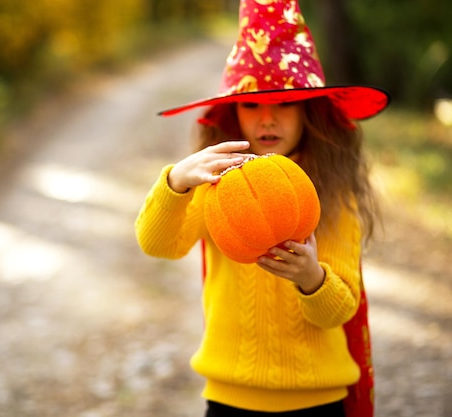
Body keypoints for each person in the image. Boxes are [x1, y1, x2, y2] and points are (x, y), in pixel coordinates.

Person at [134, 1, 389, 416]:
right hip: (230, 396)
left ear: (310, 110)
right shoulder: (216, 185)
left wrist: (311, 277)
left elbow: (342, 309)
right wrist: (174, 184)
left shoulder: (334, 194)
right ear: (233, 112)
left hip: (318, 398)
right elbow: (157, 244)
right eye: (251, 104)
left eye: (284, 102)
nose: (267, 118)